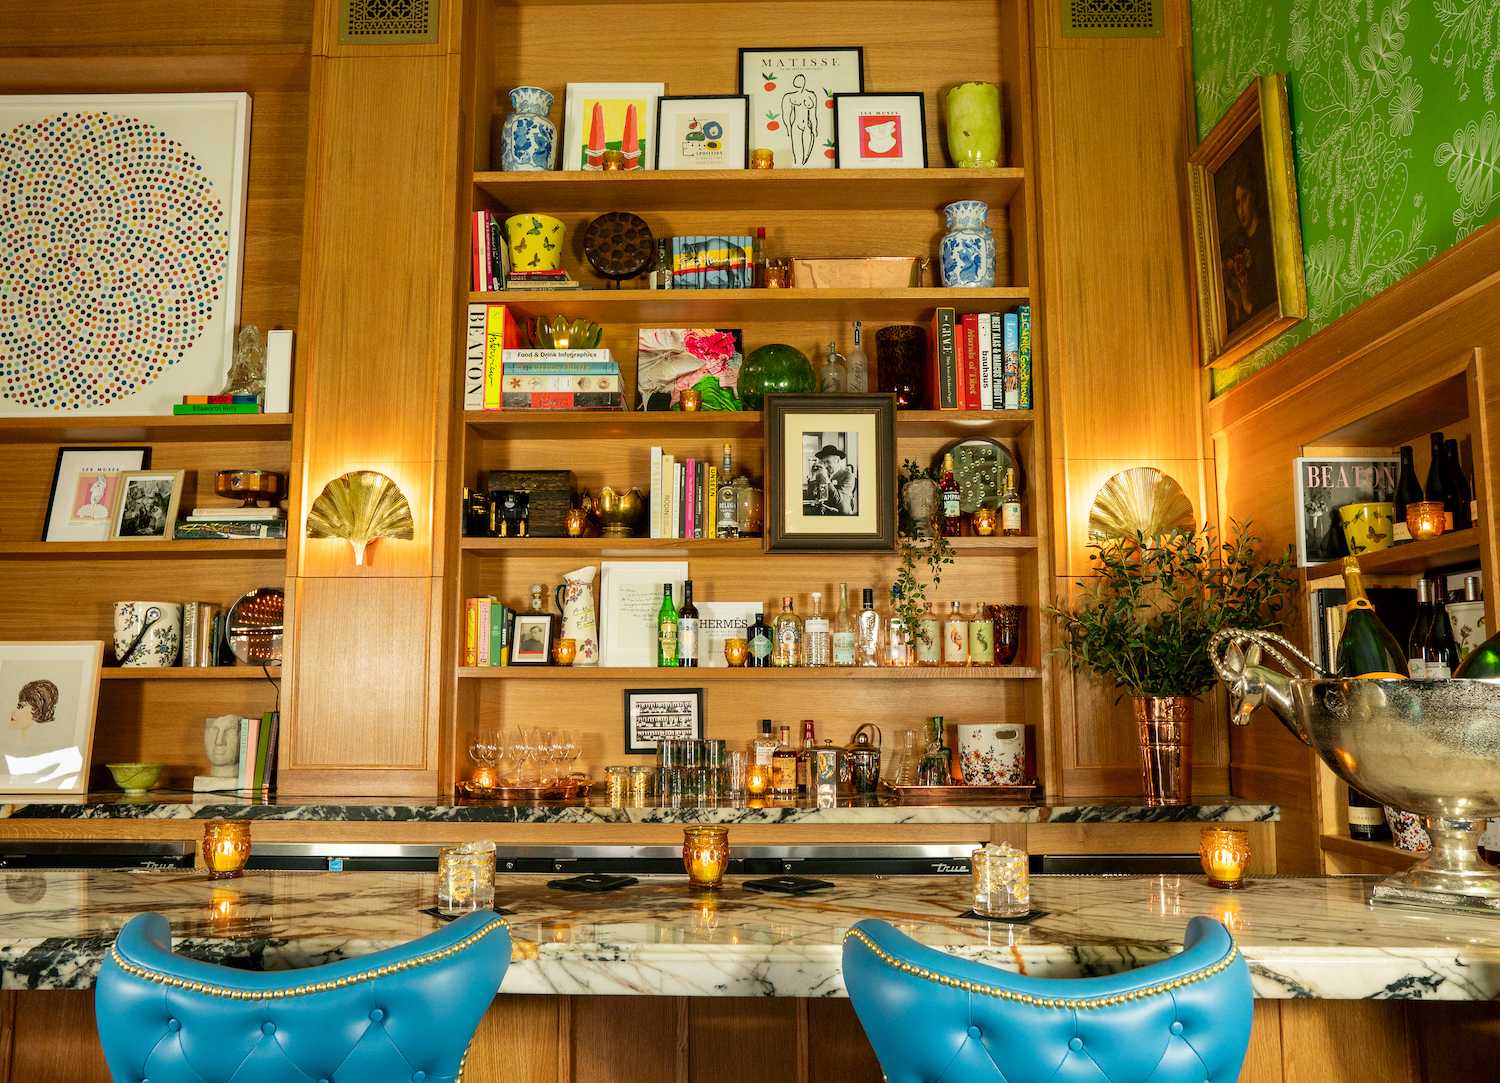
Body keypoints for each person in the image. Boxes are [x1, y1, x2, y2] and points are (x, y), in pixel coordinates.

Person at [1220, 153, 1276, 335]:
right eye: (1237, 203)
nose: (1241, 210)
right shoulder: (1237, 246)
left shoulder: (1269, 237)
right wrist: (1238, 305)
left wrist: (1247, 304)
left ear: (1254, 195)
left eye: (1244, 198)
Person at [781, 74, 818, 166]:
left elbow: (813, 115)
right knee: (797, 148)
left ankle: (804, 164)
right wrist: (788, 128)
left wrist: (814, 128)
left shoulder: (811, 95)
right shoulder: (789, 97)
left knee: (807, 149)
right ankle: (797, 165)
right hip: (796, 124)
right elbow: (786, 114)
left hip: (807, 125)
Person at [814, 445, 857, 515]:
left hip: (842, 516)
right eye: (823, 462)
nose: (825, 466)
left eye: (828, 462)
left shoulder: (848, 475)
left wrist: (826, 478)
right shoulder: (823, 475)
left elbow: (838, 499)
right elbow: (812, 494)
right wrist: (813, 476)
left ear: (838, 461)